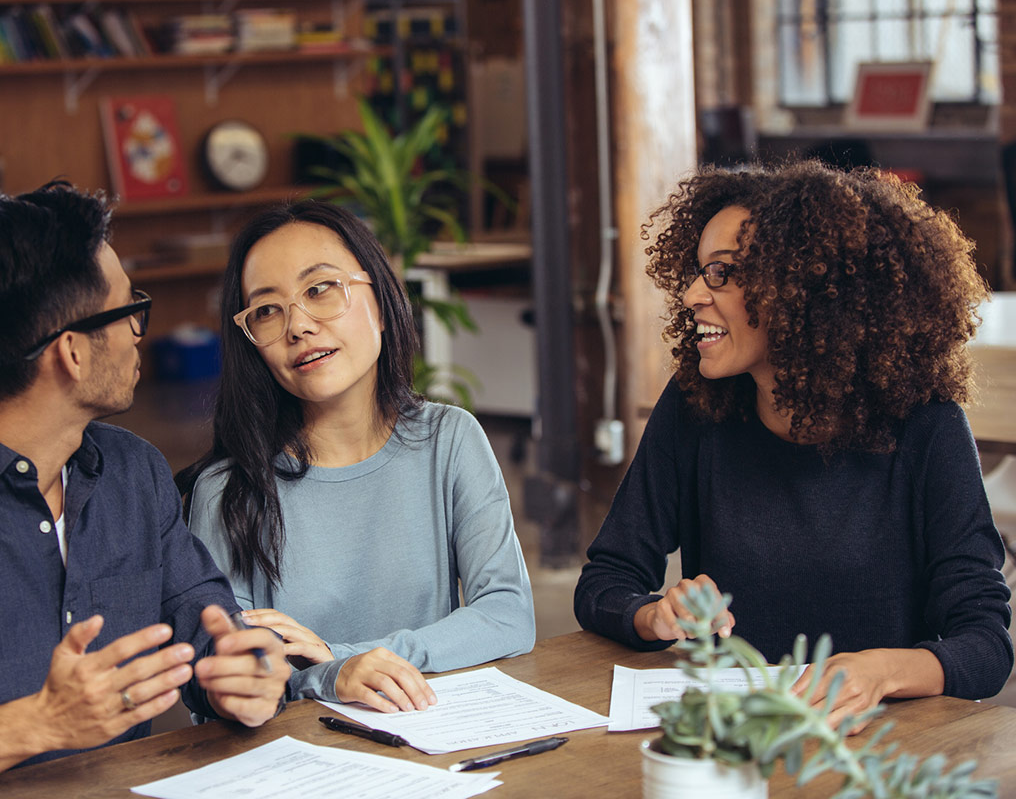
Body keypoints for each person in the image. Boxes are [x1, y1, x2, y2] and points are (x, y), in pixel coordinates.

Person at [574, 160, 1013, 732]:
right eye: (697, 271)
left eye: (721, 274)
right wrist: (653, 615)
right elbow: (604, 582)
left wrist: (880, 672)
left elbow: (985, 644)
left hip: (880, 751)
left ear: (801, 291)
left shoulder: (925, 426)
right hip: (736, 740)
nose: (690, 295)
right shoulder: (695, 409)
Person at [178, 200, 535, 714]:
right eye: (267, 310)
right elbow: (233, 678)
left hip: (429, 739)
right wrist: (330, 679)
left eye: (320, 289)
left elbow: (508, 615)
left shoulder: (450, 441)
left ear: (383, 302)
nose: (297, 326)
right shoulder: (228, 489)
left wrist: (345, 660)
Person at [0, 181, 290, 772]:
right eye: (130, 309)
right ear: (72, 352)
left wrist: (246, 673)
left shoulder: (134, 473)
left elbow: (206, 624)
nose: (141, 331)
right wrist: (32, 726)